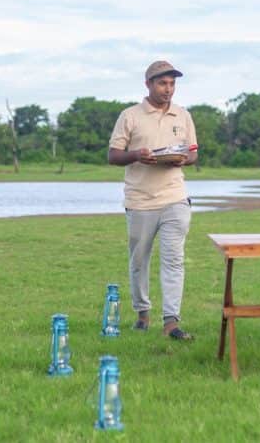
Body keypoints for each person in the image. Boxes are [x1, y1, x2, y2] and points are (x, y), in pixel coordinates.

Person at [108, 60, 198, 341]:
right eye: (162, 83)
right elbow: (113, 155)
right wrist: (137, 155)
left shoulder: (182, 116)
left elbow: (193, 153)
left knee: (174, 259)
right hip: (140, 201)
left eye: (172, 84)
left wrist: (183, 159)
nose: (168, 89)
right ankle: (142, 314)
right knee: (139, 261)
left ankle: (171, 322)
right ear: (148, 84)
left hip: (175, 197)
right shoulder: (130, 116)